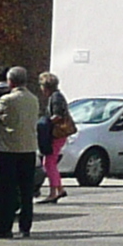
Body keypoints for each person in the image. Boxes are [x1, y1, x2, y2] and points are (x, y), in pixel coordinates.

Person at [0, 65, 45, 237]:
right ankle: (26, 226)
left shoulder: (8, 99)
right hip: (29, 148)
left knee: (7, 190)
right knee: (26, 190)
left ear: (10, 81)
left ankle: (5, 227)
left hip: (10, 149)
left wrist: (2, 119)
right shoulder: (33, 99)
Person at [40, 71, 73, 203]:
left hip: (57, 134)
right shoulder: (56, 96)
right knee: (50, 162)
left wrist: (46, 123)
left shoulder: (56, 97)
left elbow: (58, 115)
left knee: (48, 163)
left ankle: (53, 192)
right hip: (59, 134)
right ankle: (60, 189)